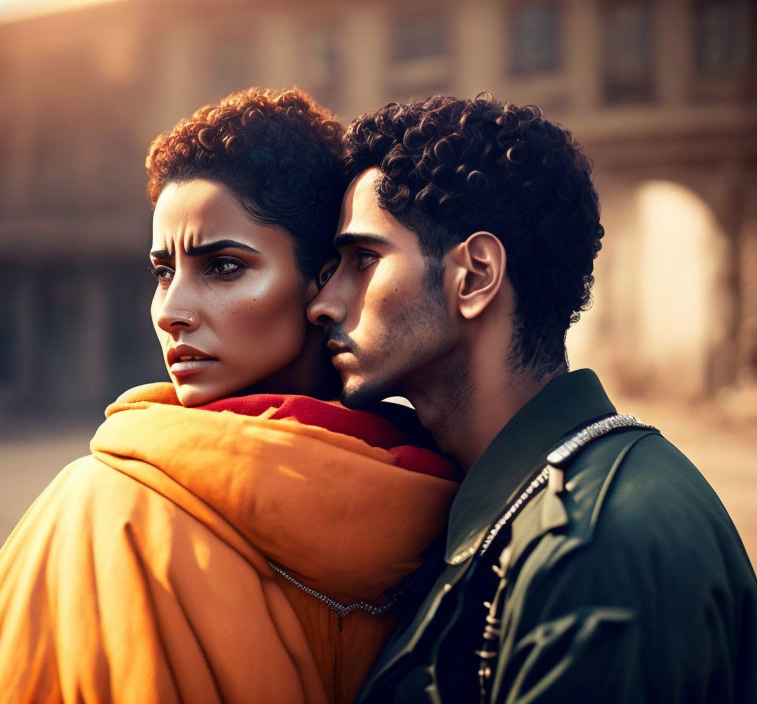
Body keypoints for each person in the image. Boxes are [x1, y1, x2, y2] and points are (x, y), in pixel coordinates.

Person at [0, 88, 459, 704]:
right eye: (162, 272)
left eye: (223, 266)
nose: (171, 312)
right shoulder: (444, 503)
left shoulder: (108, 506)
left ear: (324, 279)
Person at [308, 93, 757, 703]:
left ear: (474, 276)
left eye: (363, 259)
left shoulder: (592, 552)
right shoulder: (507, 507)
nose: (324, 302)